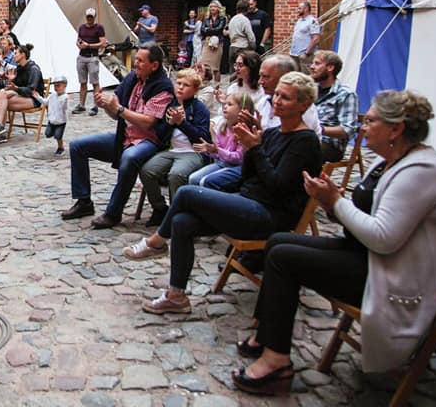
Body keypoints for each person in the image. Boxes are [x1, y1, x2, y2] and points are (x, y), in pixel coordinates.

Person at [233, 90, 436, 396]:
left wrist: (335, 200)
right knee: (278, 242)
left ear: (396, 129)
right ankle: (268, 335)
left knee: (284, 258)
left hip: (394, 275)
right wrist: (328, 202)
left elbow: (383, 238)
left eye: (372, 120)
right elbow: (365, 221)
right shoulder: (392, 162)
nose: (363, 127)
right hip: (371, 256)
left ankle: (276, 362)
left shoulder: (420, 172)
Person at [125, 71, 323, 316]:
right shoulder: (272, 133)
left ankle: (156, 243)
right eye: (277, 95)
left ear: (303, 105)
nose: (277, 101)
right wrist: (252, 143)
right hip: (249, 202)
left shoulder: (304, 141)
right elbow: (248, 175)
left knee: (187, 192)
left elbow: (278, 187)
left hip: (271, 216)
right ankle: (177, 296)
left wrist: (255, 148)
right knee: (182, 222)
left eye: (286, 98)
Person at [61, 44, 174, 229]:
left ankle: (114, 213)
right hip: (125, 136)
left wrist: (119, 109)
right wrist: (106, 105)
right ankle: (84, 202)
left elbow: (148, 122)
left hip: (149, 141)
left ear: (154, 66)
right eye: (135, 59)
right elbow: (116, 114)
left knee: (129, 158)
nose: (135, 63)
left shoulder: (163, 87)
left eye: (140, 60)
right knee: (78, 146)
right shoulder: (132, 79)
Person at [137, 68, 212, 226]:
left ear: (195, 90)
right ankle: (159, 208)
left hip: (193, 152)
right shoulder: (170, 105)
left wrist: (182, 123)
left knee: (176, 174)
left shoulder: (199, 108)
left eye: (186, 85)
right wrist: (169, 124)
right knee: (147, 170)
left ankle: (177, 215)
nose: (180, 87)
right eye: (178, 83)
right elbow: (159, 133)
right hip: (171, 150)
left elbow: (202, 137)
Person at [188, 91, 256, 191]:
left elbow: (238, 158)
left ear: (242, 109)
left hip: (236, 167)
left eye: (230, 104)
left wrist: (217, 151)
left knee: (205, 182)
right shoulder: (224, 127)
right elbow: (218, 152)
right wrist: (210, 150)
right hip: (222, 163)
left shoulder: (243, 131)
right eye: (225, 104)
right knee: (193, 178)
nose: (225, 106)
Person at [0, 43, 44, 143]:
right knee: (2, 93)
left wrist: (16, 88)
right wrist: (10, 81)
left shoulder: (34, 69)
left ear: (23, 55)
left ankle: (0, 131)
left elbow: (31, 90)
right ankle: (0, 128)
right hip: (21, 95)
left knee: (1, 102)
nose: (13, 55)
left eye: (15, 53)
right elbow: (13, 87)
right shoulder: (18, 68)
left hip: (33, 98)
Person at [249, 54, 322, 134]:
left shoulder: (302, 109)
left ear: (285, 77)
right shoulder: (264, 101)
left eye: (265, 77)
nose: (260, 81)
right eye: (260, 76)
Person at [309, 50, 359, 162]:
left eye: (317, 63)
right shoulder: (310, 89)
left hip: (329, 145)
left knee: (299, 147)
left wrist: (318, 129)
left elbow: (348, 130)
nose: (312, 67)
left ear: (330, 68)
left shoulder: (345, 94)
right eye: (312, 63)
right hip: (307, 137)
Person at [73, 7, 107, 116]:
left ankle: (95, 105)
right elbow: (78, 40)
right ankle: (81, 104)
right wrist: (79, 45)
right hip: (82, 56)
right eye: (88, 17)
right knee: (82, 82)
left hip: (93, 57)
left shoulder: (99, 28)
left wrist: (89, 45)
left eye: (91, 17)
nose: (89, 19)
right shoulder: (82, 27)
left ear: (94, 17)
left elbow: (103, 43)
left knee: (95, 82)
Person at [35, 75, 69, 156]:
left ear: (64, 86)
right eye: (55, 86)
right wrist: (37, 97)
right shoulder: (53, 95)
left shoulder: (65, 97)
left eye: (58, 86)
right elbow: (45, 102)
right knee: (48, 134)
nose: (56, 88)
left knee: (58, 137)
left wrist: (66, 102)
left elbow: (65, 108)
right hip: (52, 120)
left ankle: (61, 148)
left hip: (60, 122)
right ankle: (54, 132)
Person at [199, 1, 227, 83]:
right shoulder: (206, 18)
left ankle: (217, 87)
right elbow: (202, 30)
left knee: (215, 67)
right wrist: (211, 31)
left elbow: (219, 29)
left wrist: (208, 30)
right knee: (204, 65)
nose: (212, 8)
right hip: (207, 43)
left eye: (214, 6)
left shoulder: (222, 18)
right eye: (211, 7)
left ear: (218, 8)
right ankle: (204, 84)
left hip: (217, 44)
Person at [227, 0, 256, 72]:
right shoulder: (244, 20)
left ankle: (232, 83)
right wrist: (253, 46)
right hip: (242, 47)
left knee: (233, 71)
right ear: (247, 9)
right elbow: (250, 36)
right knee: (243, 70)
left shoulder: (232, 19)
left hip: (232, 47)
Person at [290, 1, 320, 73]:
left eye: (299, 8)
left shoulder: (312, 21)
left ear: (306, 9)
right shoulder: (299, 20)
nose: (298, 10)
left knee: (307, 75)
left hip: (306, 55)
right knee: (296, 74)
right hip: (295, 53)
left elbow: (316, 39)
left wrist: (306, 53)